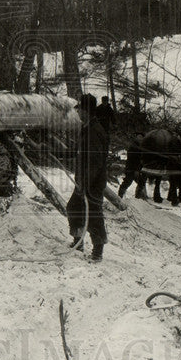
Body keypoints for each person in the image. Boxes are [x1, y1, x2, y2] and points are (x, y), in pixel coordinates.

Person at [66, 94, 109, 262]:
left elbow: (95, 163)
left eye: (80, 110)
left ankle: (98, 252)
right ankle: (78, 241)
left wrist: (85, 184)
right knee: (73, 208)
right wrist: (51, 150)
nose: (78, 113)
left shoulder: (95, 131)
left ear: (87, 111)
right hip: (84, 181)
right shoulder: (87, 128)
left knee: (94, 215)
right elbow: (77, 152)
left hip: (92, 182)